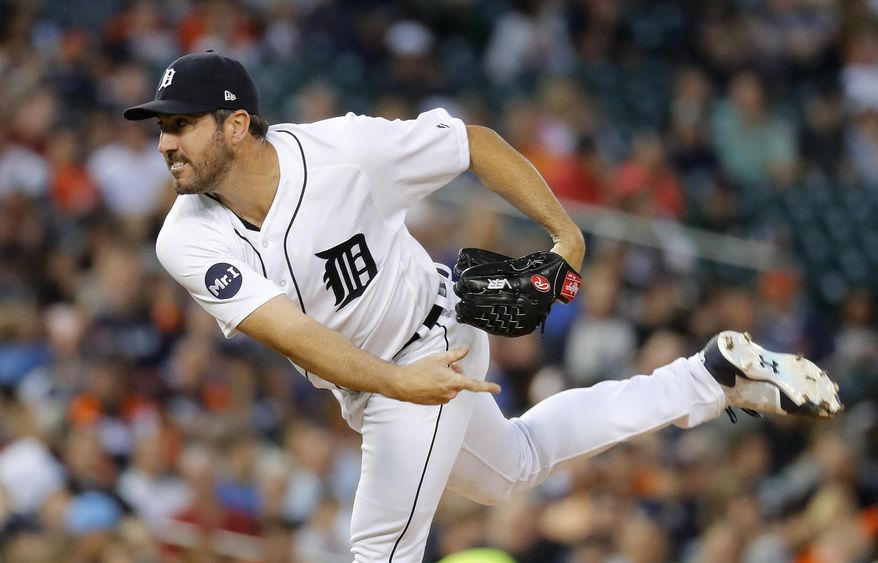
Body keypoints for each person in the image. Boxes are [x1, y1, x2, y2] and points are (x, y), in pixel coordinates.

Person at [123, 51, 842, 562]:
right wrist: (397, 384)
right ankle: (707, 378)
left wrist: (565, 231)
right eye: (161, 128)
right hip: (387, 376)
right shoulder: (185, 236)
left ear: (237, 124)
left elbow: (470, 142)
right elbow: (290, 331)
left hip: (434, 338)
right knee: (514, 467)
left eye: (181, 124)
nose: (166, 143)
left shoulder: (342, 150)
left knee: (379, 549)